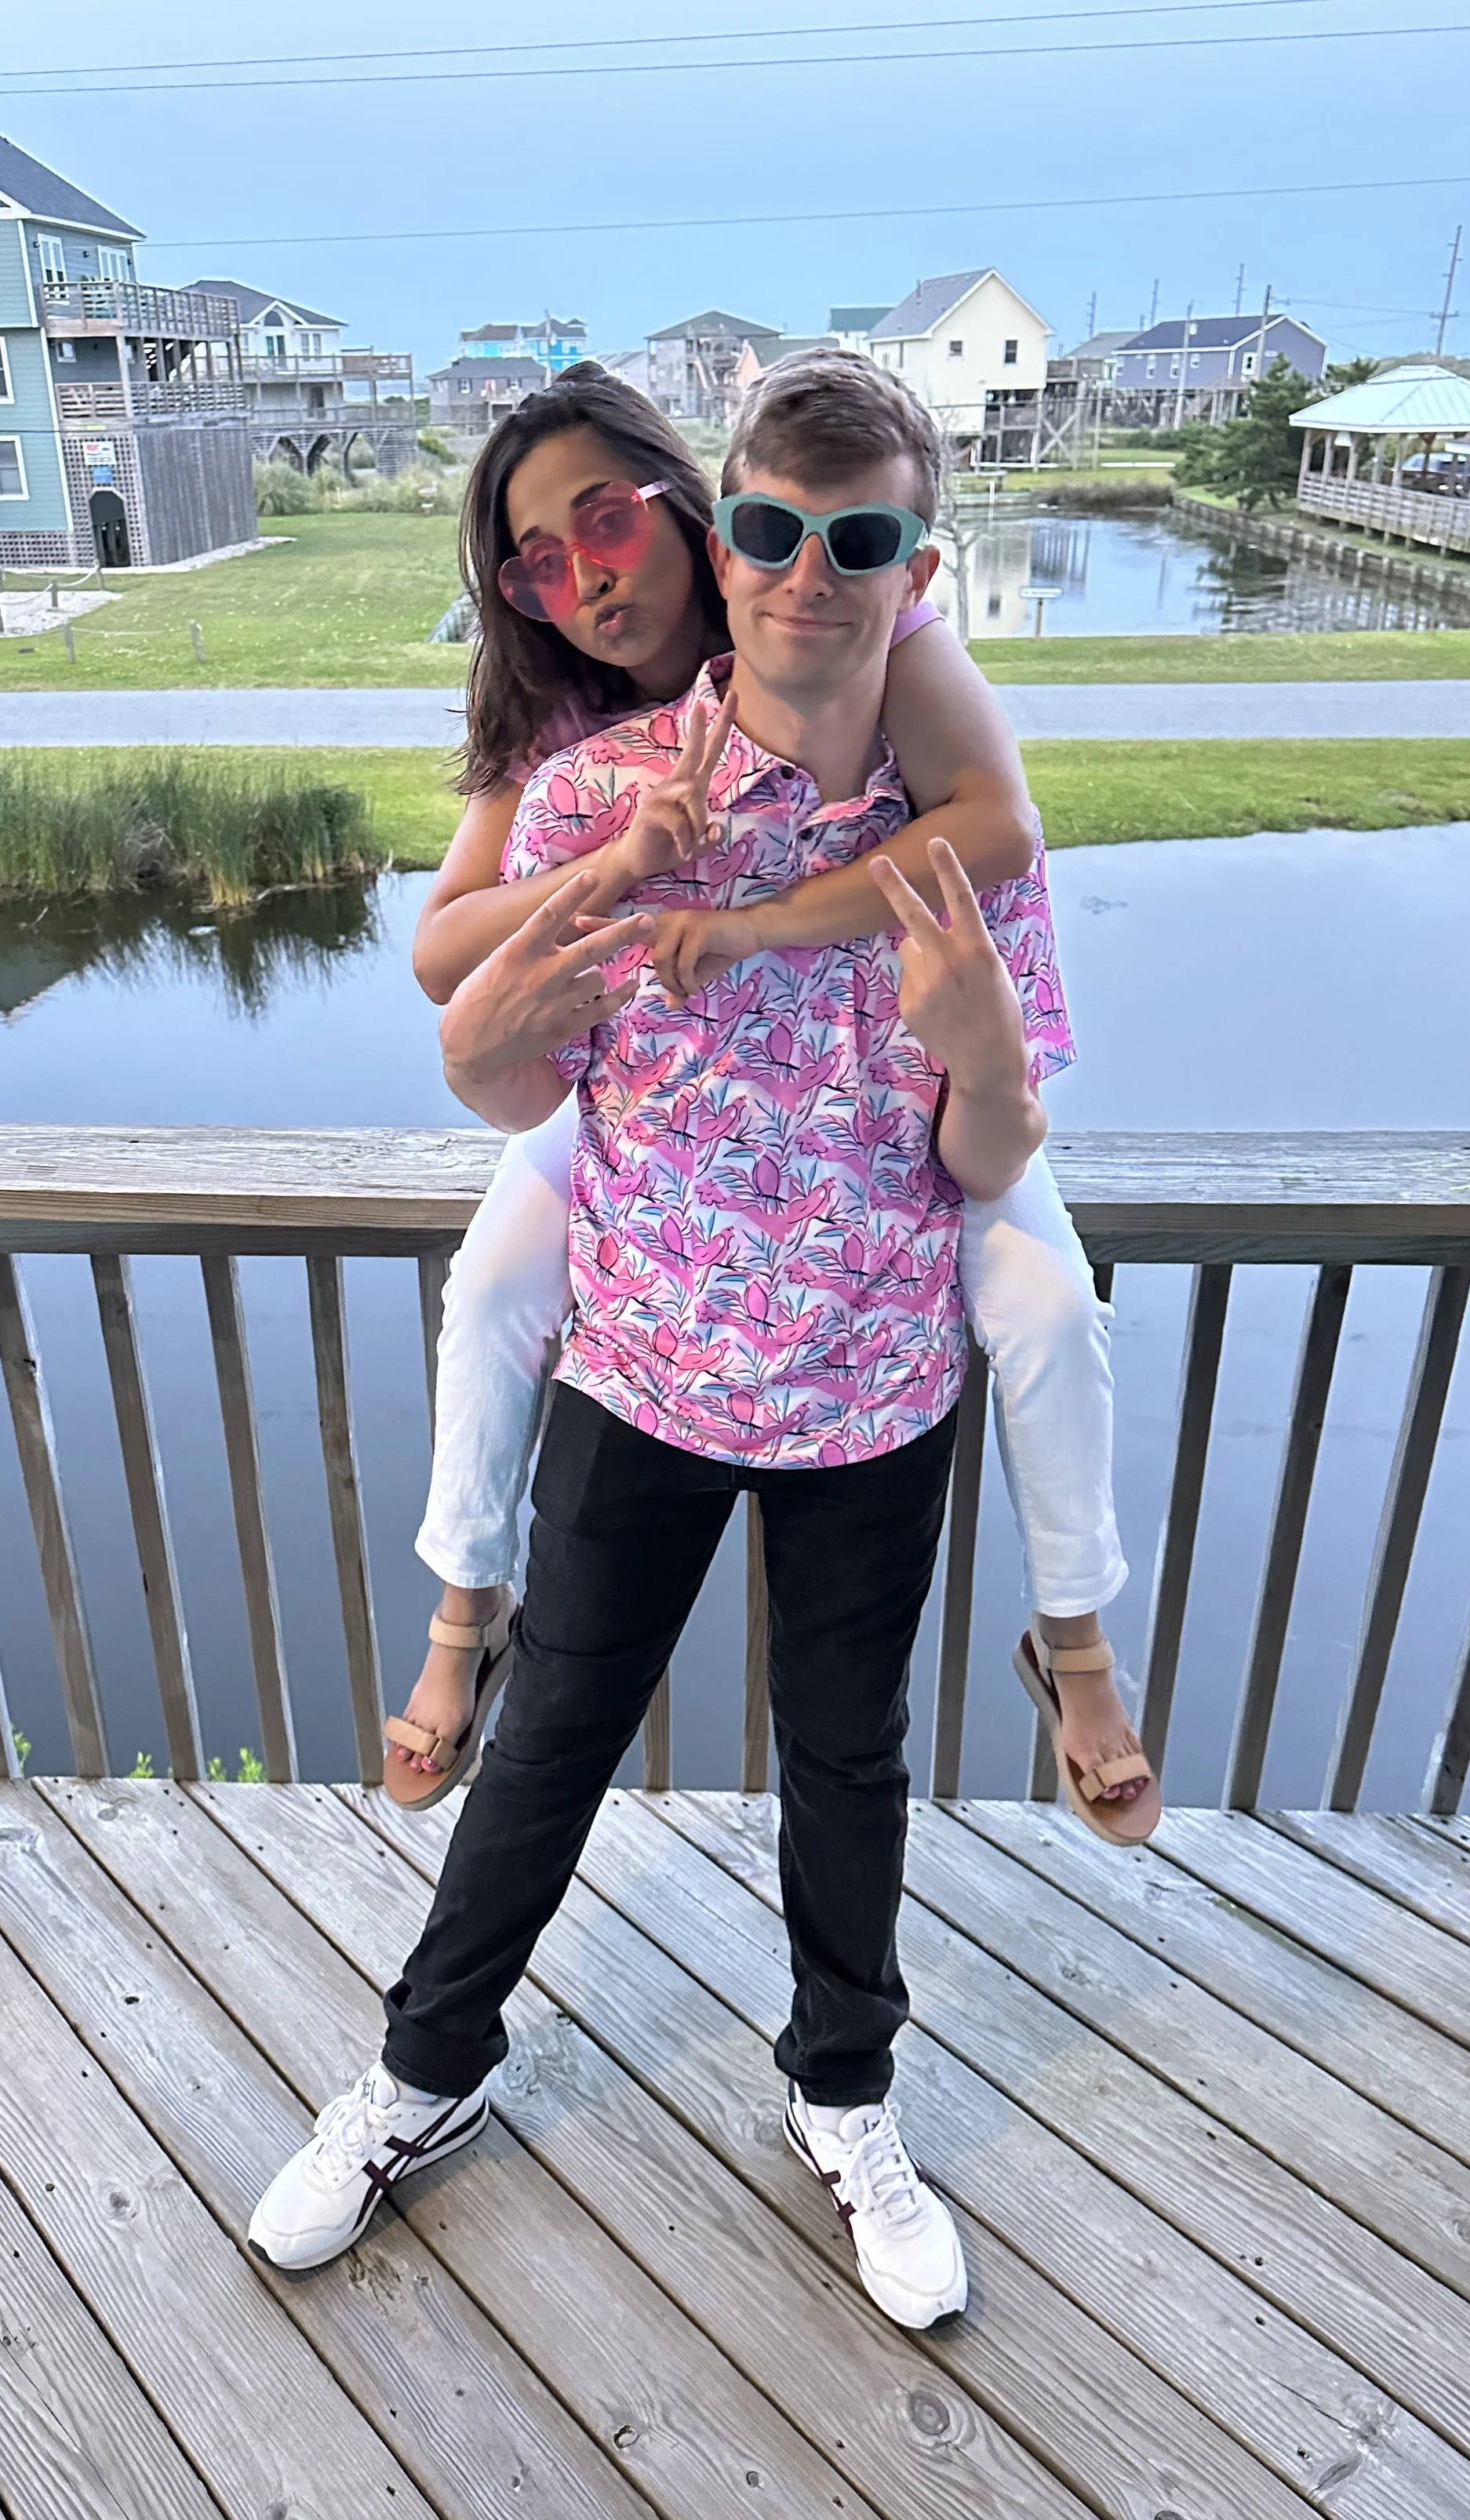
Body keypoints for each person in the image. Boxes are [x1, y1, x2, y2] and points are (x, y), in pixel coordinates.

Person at [248, 355, 1137, 2327]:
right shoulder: (582, 798)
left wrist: (976, 1042)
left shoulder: (957, 837)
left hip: (872, 1395)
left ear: (910, 571)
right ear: (714, 542)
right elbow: (489, 1078)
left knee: (849, 1761)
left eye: (858, 541)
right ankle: (414, 2075)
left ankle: (847, 2097)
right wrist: (608, 902)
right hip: (639, 1380)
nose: (806, 574)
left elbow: (988, 1149)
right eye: (767, 530)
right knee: (549, 1742)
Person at [384, 361, 1155, 1842]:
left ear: (685, 507)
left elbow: (997, 824)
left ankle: (1077, 1647)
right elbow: (444, 958)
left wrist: (760, 918)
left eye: (602, 519)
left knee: (1053, 1313)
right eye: (536, 562)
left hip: (897, 1092)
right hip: (637, 1101)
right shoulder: (570, 730)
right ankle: (465, 1607)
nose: (584, 574)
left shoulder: (861, 609)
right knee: (489, 1288)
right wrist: (620, 861)